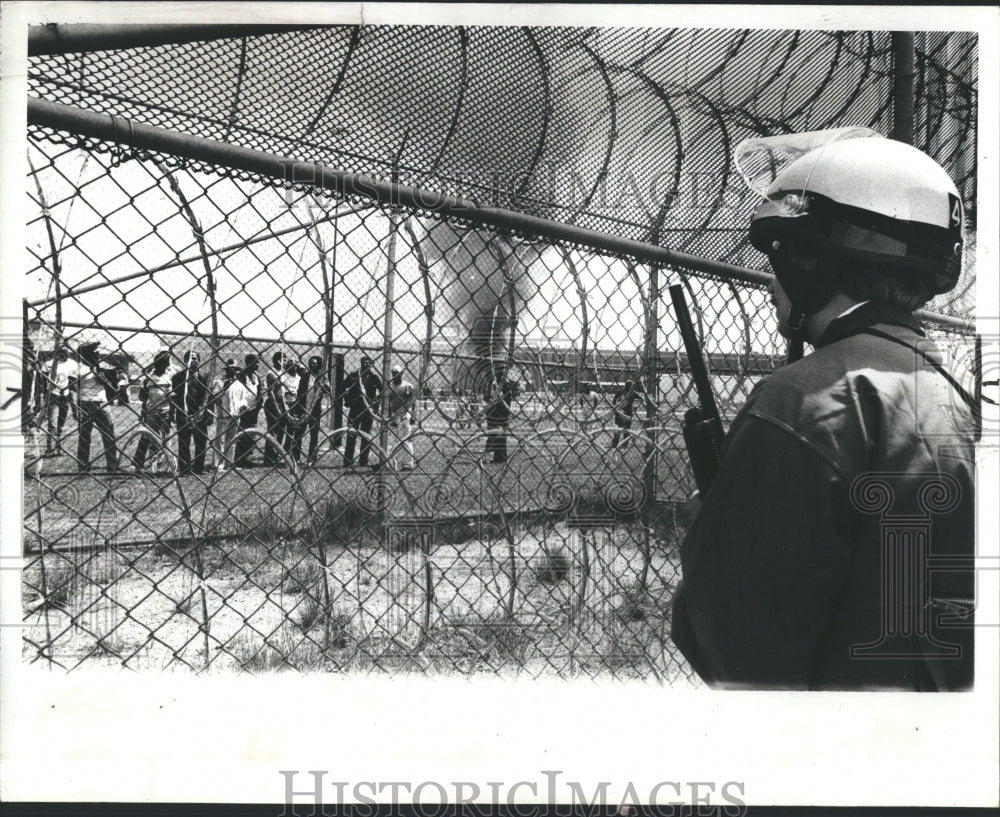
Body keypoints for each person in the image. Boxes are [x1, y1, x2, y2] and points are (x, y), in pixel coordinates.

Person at [670, 129, 975, 691]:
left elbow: (734, 647)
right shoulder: (960, 392)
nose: (771, 282)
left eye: (781, 254)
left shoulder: (802, 401)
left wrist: (710, 528)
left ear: (813, 259)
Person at [72, 342, 122, 473]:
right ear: (85, 354)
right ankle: (83, 466)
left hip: (102, 403)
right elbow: (72, 390)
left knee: (109, 435)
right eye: (94, 352)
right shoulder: (78, 368)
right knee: (84, 436)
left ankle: (112, 466)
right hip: (86, 403)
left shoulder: (101, 367)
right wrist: (75, 408)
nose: (97, 354)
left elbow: (113, 390)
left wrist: (105, 380)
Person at [133, 348, 174, 473]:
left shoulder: (170, 376)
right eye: (160, 363)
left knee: (167, 438)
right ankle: (153, 465)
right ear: (156, 364)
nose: (162, 366)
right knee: (152, 438)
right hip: (152, 411)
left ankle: (165, 467)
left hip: (166, 410)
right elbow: (142, 396)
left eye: (165, 364)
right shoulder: (148, 378)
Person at [171, 350, 213, 476]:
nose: (193, 361)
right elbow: (175, 397)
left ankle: (198, 469)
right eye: (189, 358)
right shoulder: (178, 378)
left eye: (195, 358)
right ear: (185, 361)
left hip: (201, 415)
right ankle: (184, 469)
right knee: (184, 443)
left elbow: (209, 397)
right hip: (183, 414)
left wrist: (209, 414)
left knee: (201, 443)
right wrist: (178, 412)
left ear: (199, 360)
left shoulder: (205, 376)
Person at [342, 355, 382, 469]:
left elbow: (382, 390)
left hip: (368, 411)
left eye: (368, 362)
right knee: (351, 434)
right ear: (361, 363)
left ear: (371, 364)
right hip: (355, 409)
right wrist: (348, 401)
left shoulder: (374, 378)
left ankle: (363, 460)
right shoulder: (354, 376)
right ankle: (348, 461)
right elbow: (342, 387)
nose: (366, 364)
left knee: (366, 436)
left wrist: (376, 403)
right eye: (364, 362)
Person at [213, 359, 250, 471]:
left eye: (235, 370)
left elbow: (243, 399)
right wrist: (224, 388)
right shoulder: (220, 382)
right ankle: (218, 464)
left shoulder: (240, 385)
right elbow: (215, 397)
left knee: (232, 439)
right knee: (220, 440)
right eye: (230, 369)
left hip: (235, 414)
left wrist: (243, 406)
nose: (232, 372)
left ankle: (229, 463)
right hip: (223, 414)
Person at [292, 355, 326, 465]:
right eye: (310, 363)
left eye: (314, 363)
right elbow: (300, 393)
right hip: (303, 408)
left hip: (315, 409)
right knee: (298, 433)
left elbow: (327, 389)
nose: (312, 365)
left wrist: (323, 384)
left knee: (314, 434)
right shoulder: (305, 376)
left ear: (319, 365)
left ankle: (312, 458)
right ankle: (295, 458)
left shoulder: (322, 377)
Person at [44, 348, 77, 455]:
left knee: (61, 424)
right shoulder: (49, 364)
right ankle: (49, 447)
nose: (62, 357)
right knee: (52, 423)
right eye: (59, 355)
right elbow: (42, 379)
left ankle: (59, 447)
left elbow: (72, 382)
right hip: (53, 395)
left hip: (65, 396)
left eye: (64, 355)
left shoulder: (72, 364)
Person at [384, 364, 417, 470]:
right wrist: (389, 417)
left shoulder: (408, 386)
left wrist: (413, 416)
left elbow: (413, 401)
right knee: (389, 441)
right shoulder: (389, 386)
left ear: (401, 373)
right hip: (393, 414)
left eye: (397, 373)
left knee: (406, 440)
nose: (395, 375)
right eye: (393, 373)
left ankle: (408, 464)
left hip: (405, 414)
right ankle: (390, 464)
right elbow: (386, 402)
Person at [483, 361, 516, 464]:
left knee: (497, 435)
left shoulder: (501, 385)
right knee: (498, 436)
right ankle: (498, 456)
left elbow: (492, 398)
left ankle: (498, 456)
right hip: (498, 414)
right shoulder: (499, 384)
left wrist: (489, 396)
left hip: (498, 414)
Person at [234, 353, 262, 468]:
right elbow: (239, 392)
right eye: (256, 362)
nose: (258, 365)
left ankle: (247, 457)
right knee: (242, 433)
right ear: (249, 363)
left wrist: (258, 406)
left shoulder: (257, 376)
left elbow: (259, 393)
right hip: (243, 409)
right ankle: (238, 458)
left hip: (253, 409)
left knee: (251, 434)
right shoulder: (242, 375)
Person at [610, 378, 643, 449]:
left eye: (629, 385)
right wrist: (616, 409)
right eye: (628, 385)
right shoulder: (621, 392)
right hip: (621, 411)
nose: (628, 387)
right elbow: (614, 401)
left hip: (627, 412)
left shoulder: (633, 393)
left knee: (625, 428)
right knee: (620, 428)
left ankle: (623, 443)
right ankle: (618, 443)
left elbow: (641, 398)